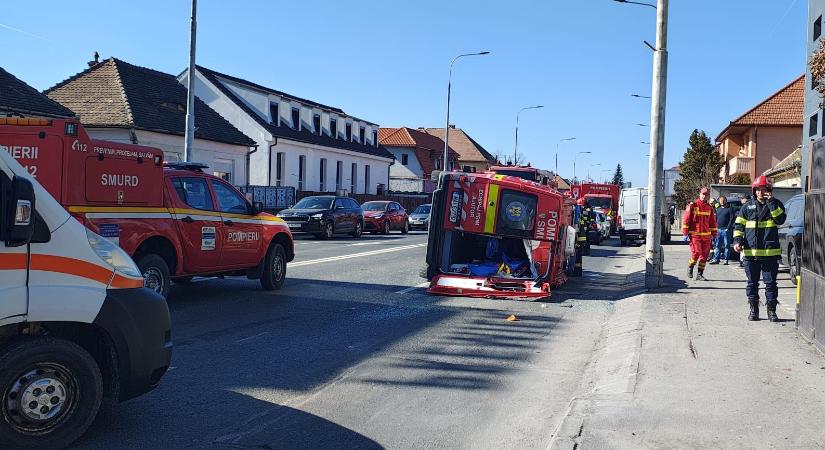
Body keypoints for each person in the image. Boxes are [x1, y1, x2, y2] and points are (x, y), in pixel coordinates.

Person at [733, 176, 786, 322]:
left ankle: (772, 311)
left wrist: (771, 203)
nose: (761, 192)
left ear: (769, 190)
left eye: (764, 189)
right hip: (751, 254)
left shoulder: (776, 204)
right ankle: (754, 310)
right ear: (754, 191)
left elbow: (780, 220)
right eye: (758, 189)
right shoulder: (746, 207)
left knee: (770, 284)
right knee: (752, 284)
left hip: (770, 254)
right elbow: (738, 226)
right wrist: (737, 241)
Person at [682, 187, 718, 281]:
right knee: (696, 253)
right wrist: (685, 233)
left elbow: (712, 222)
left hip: (706, 236)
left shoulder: (709, 208)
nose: (704, 196)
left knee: (705, 256)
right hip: (695, 235)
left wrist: (714, 234)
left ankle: (700, 274)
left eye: (706, 195)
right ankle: (690, 267)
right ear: (700, 194)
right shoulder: (693, 205)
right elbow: (686, 219)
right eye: (703, 194)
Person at [709, 196, 733, 265]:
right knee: (717, 245)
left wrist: (728, 228)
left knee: (727, 246)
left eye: (723, 200)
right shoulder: (718, 209)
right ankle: (717, 259)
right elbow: (715, 219)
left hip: (726, 230)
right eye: (720, 200)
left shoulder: (729, 209)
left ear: (726, 201)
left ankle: (726, 260)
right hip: (718, 230)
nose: (722, 202)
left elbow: (732, 219)